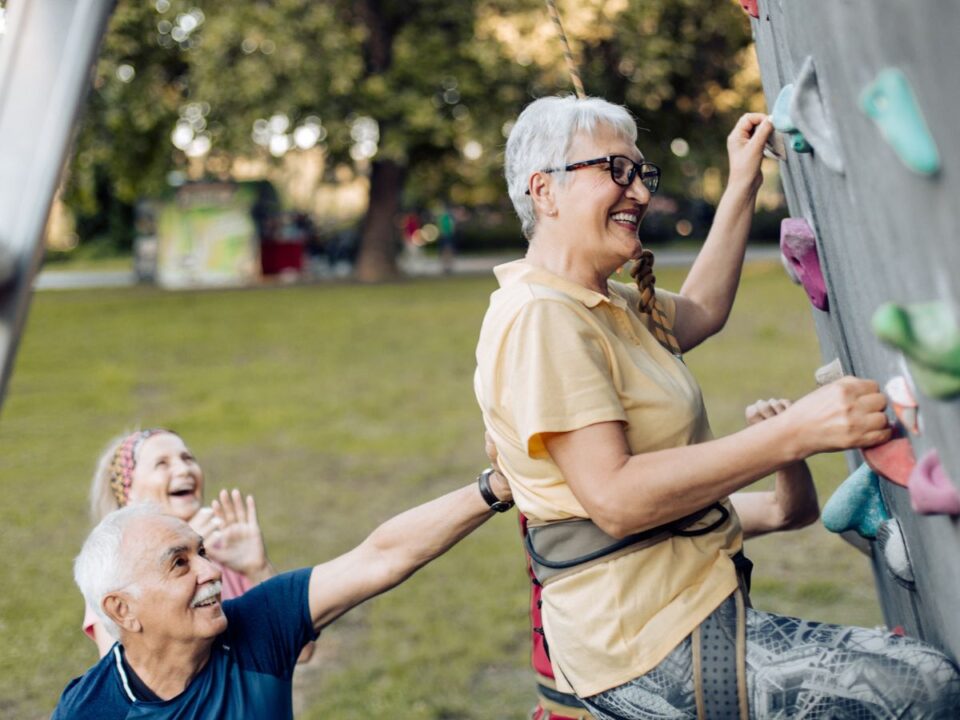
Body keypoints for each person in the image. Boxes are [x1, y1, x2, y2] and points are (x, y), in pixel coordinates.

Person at [475, 95, 960, 718]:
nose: (639, 193)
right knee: (923, 688)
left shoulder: (601, 302)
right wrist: (795, 433)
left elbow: (701, 309)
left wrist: (743, 183)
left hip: (687, 604)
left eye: (641, 174)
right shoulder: (542, 317)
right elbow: (617, 499)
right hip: (641, 643)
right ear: (544, 190)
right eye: (615, 170)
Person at [52, 465, 513, 718]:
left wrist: (495, 486)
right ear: (122, 610)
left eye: (202, 552)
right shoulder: (90, 709)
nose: (210, 572)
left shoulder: (259, 621)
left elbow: (382, 557)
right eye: (179, 563)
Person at [83, 429, 276, 657]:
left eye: (188, 458)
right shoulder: (112, 576)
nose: (184, 469)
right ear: (129, 492)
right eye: (162, 464)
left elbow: (301, 651)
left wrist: (258, 569)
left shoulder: (225, 550)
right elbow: (125, 672)